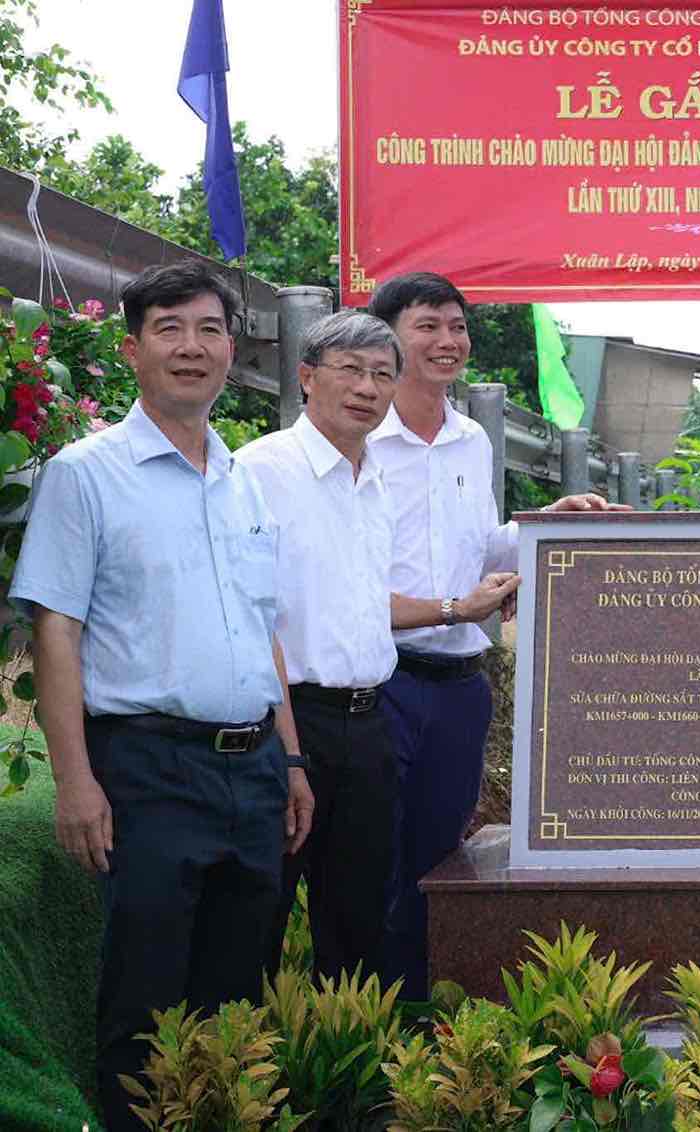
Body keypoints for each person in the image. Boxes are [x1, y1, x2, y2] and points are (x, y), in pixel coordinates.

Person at [10, 261, 313, 1132]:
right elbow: (55, 629)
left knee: (236, 1000)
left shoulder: (243, 477)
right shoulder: (85, 473)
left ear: (231, 347)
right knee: (145, 1006)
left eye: (210, 329)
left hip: (253, 768)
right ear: (133, 346)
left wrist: (289, 757)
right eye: (170, 328)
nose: (193, 347)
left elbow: (263, 630)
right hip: (146, 768)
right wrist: (76, 782)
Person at [367, 272, 627, 999]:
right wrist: (450, 604)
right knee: (370, 863)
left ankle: (424, 1009)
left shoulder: (471, 438)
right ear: (388, 334)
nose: (448, 341)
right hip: (379, 679)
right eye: (428, 325)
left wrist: (545, 523)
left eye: (457, 326)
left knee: (439, 857)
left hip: (458, 682)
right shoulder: (359, 436)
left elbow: (476, 548)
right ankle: (364, 1012)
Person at [240, 310, 404, 982]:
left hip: (368, 723)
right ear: (307, 377)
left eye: (383, 374)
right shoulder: (259, 471)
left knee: (358, 918)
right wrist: (291, 752)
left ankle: (347, 1069)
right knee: (261, 912)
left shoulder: (377, 480)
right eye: (351, 369)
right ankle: (246, 1072)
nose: (367, 387)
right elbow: (254, 621)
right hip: (287, 722)